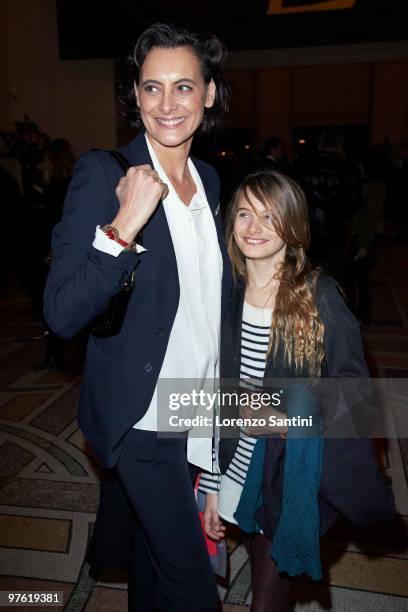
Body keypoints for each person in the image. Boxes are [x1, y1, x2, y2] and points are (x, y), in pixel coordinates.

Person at [44, 23, 232, 612]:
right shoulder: (105, 174)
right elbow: (62, 313)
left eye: (184, 87)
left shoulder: (210, 181)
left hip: (197, 410)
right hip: (144, 418)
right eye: (152, 89)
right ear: (135, 95)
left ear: (209, 94)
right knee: (194, 590)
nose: (168, 104)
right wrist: (123, 226)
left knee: (155, 572)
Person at [199, 170, 394, 611]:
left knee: (266, 601)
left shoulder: (319, 296)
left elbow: (357, 397)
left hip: (286, 477)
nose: (254, 227)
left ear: (293, 225)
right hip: (234, 471)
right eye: (245, 213)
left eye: (269, 216)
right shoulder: (226, 294)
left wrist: (291, 421)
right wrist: (212, 486)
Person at [36, 139, 76, 368]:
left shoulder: (53, 187)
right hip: (74, 248)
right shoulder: (74, 182)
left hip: (57, 251)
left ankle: (54, 355)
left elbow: (50, 223)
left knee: (54, 302)